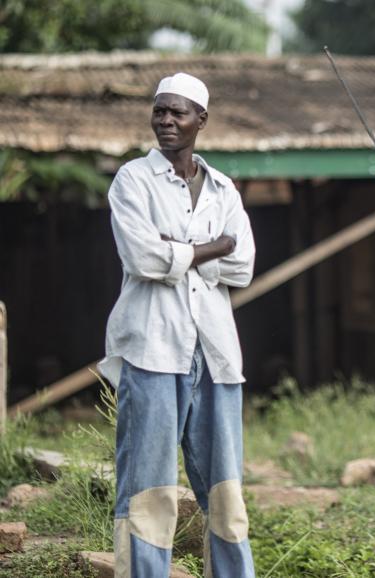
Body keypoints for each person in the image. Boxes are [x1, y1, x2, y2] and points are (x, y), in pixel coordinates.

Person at [98, 72, 257, 577]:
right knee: (149, 491)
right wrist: (213, 247)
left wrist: (181, 252)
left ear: (201, 120)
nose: (166, 120)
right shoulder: (132, 180)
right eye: (159, 110)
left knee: (226, 494)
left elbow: (245, 265)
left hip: (214, 355)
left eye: (178, 112)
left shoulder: (224, 189)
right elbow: (144, 257)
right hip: (151, 351)